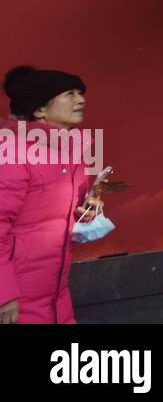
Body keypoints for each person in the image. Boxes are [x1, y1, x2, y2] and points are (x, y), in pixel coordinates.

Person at [0, 65, 106, 324]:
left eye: (80, 93)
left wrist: (88, 211)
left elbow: (62, 214)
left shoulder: (70, 153)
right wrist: (4, 295)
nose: (80, 99)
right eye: (69, 94)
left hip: (55, 292)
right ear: (39, 109)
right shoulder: (13, 153)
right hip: (15, 296)